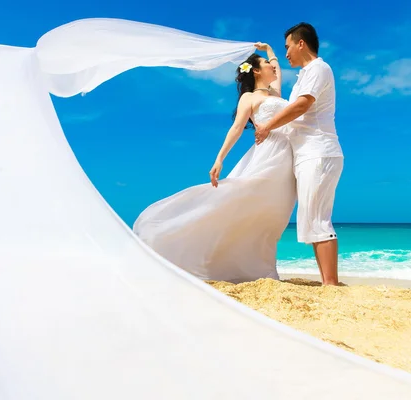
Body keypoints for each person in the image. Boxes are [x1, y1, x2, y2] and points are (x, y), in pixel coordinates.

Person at [133, 44, 297, 283]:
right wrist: (219, 158)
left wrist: (270, 50)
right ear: (256, 72)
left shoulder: (275, 94)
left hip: (287, 158)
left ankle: (260, 268)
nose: (272, 66)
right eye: (265, 64)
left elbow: (278, 69)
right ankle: (175, 240)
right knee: (246, 202)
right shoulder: (249, 98)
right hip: (268, 155)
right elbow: (237, 128)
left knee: (275, 215)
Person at [254, 23, 344, 286]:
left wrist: (267, 126)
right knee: (311, 218)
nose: (286, 54)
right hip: (309, 153)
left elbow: (302, 106)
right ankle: (329, 282)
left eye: (287, 47)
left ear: (301, 43)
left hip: (319, 151)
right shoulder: (306, 73)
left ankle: (330, 284)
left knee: (318, 218)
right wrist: (268, 49)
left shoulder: (318, 68)